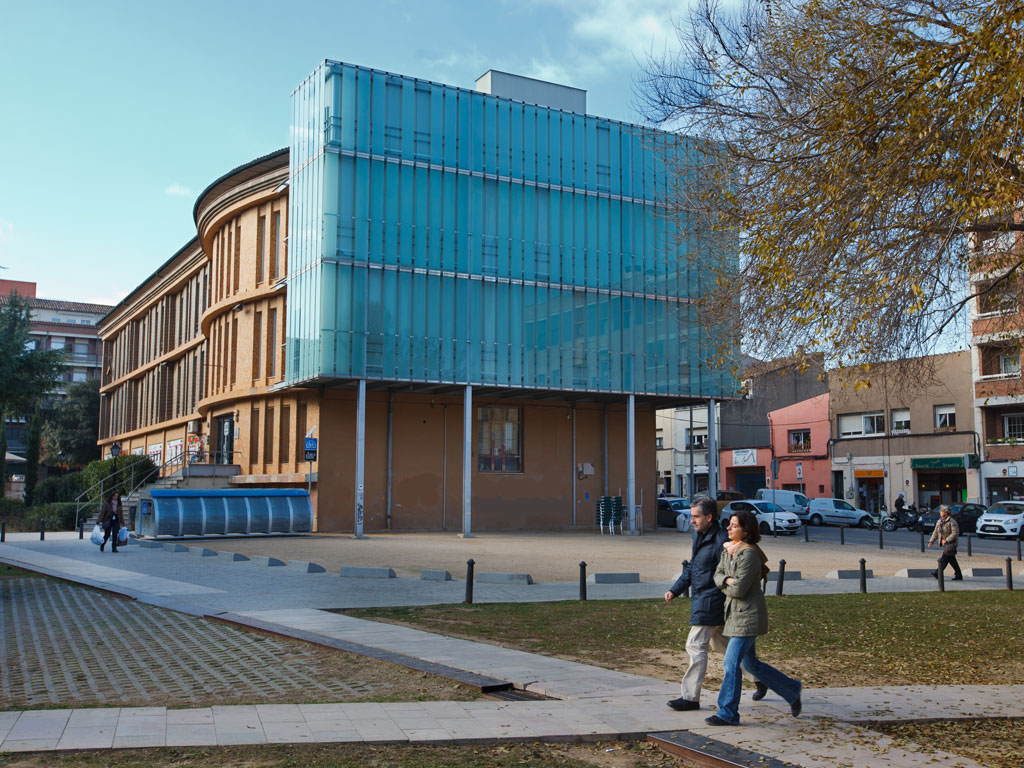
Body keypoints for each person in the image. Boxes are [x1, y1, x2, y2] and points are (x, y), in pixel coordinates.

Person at [664, 497, 766, 712]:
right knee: (721, 645)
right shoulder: (700, 536)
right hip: (706, 599)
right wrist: (675, 589)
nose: (692, 520)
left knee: (695, 644)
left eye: (696, 516)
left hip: (713, 601)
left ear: (709, 517)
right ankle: (758, 678)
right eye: (691, 516)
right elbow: (693, 567)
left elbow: (752, 560)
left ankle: (690, 697)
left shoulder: (723, 540)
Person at [705, 509, 802, 726]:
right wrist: (728, 580)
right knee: (752, 665)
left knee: (731, 665)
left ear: (746, 531)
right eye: (729, 524)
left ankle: (727, 713)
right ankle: (792, 689)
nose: (728, 528)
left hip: (748, 616)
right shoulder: (728, 550)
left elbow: (738, 589)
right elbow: (717, 575)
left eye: (734, 525)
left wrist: (726, 582)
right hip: (734, 615)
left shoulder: (749, 554)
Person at [928, 504, 962, 581]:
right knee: (951, 559)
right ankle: (959, 574)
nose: (940, 512)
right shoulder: (939, 522)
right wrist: (931, 541)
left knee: (944, 558)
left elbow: (955, 533)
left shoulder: (952, 522)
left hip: (951, 544)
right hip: (944, 544)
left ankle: (937, 573)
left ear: (946, 513)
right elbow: (935, 533)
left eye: (941, 511)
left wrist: (946, 540)